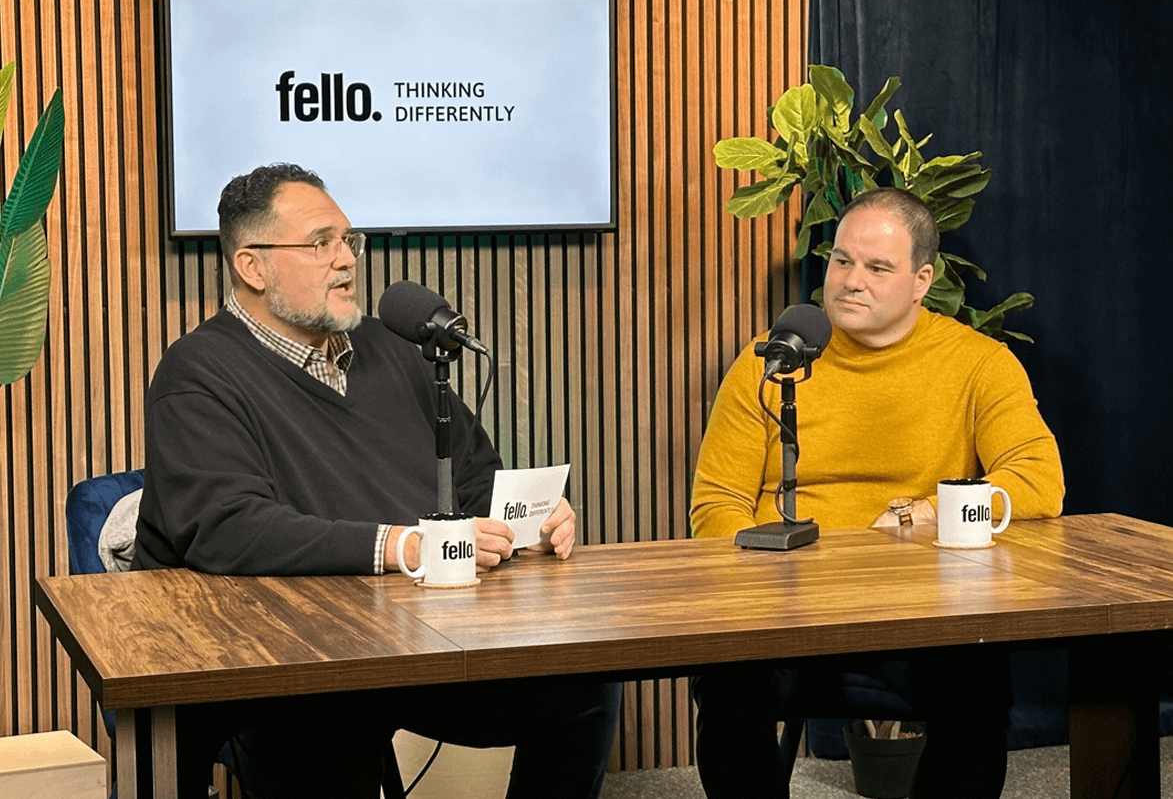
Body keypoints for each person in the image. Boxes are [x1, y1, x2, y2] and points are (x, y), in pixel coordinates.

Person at [132, 163, 621, 799]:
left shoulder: (391, 349)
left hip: (406, 641)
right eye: (321, 244)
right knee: (328, 720)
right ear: (253, 267)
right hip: (283, 658)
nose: (346, 260)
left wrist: (527, 517)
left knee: (582, 681)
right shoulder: (197, 374)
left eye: (348, 240)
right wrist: (404, 546)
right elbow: (229, 527)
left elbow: (473, 475)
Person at [688, 187, 1064, 799]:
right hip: (784, 610)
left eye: (877, 267)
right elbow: (716, 505)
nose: (851, 281)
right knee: (727, 677)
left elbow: (1038, 479)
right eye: (841, 260)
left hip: (918, 613)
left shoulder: (979, 363)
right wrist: (766, 590)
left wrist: (928, 511)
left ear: (922, 281)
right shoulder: (770, 363)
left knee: (977, 676)